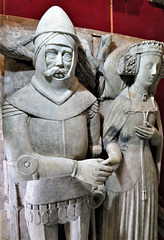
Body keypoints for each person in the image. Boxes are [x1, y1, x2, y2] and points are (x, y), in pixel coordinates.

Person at [2, 6, 113, 240]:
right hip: (40, 198)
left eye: (67, 54)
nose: (61, 62)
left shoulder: (88, 101)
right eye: (52, 53)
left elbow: (95, 152)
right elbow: (23, 166)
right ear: (39, 54)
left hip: (80, 195)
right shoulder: (17, 103)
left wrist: (98, 184)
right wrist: (77, 168)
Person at [100, 40, 164, 240]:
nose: (154, 72)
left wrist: (156, 138)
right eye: (149, 66)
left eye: (157, 67)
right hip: (124, 171)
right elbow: (108, 137)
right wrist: (114, 155)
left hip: (147, 172)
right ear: (136, 66)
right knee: (124, 221)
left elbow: (159, 139)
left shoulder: (152, 102)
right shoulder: (123, 101)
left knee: (144, 221)